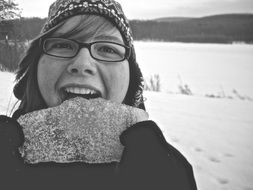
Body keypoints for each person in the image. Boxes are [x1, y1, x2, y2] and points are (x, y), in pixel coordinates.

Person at [0, 0, 197, 189]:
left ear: (132, 79)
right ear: (36, 67)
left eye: (107, 49)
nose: (82, 64)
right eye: (63, 45)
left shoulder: (169, 171)